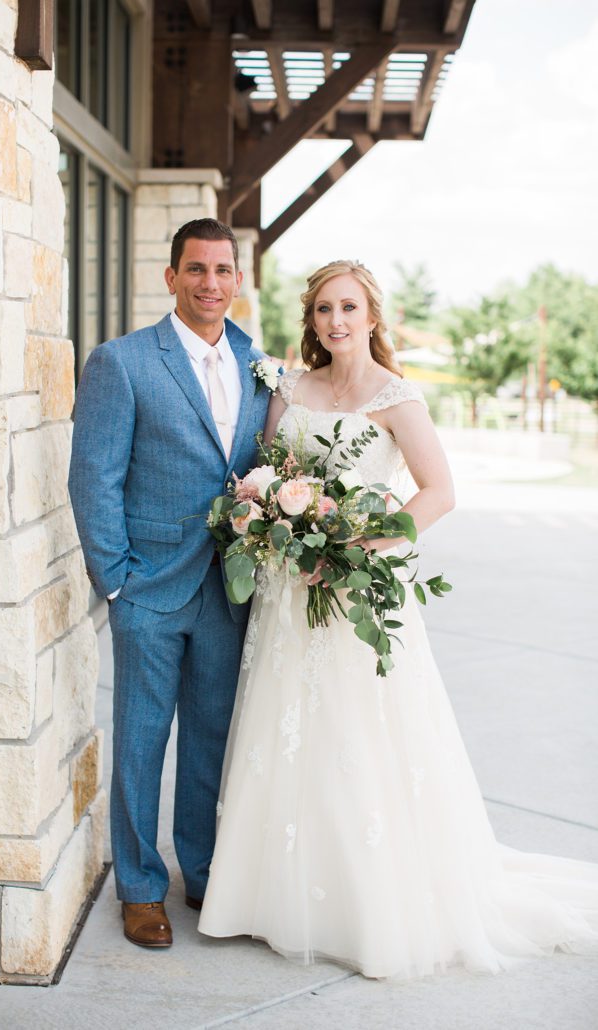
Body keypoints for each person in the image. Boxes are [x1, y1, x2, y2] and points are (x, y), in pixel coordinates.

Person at [198, 260, 598, 979]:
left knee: (359, 734)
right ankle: (272, 897)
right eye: (323, 309)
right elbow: (271, 470)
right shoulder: (290, 387)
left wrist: (361, 544)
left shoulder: (395, 396)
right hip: (290, 594)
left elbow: (438, 491)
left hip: (358, 594)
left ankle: (368, 904)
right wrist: (265, 517)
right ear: (312, 318)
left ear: (373, 316)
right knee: (287, 731)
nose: (336, 321)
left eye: (349, 307)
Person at [68, 219, 271, 949]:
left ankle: (204, 873)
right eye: (196, 269)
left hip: (229, 589)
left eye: (222, 270)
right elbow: (93, 477)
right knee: (143, 741)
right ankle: (140, 889)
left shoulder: (259, 364)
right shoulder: (121, 363)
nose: (210, 283)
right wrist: (116, 581)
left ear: (238, 280)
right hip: (148, 590)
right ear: (171, 276)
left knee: (212, 741)